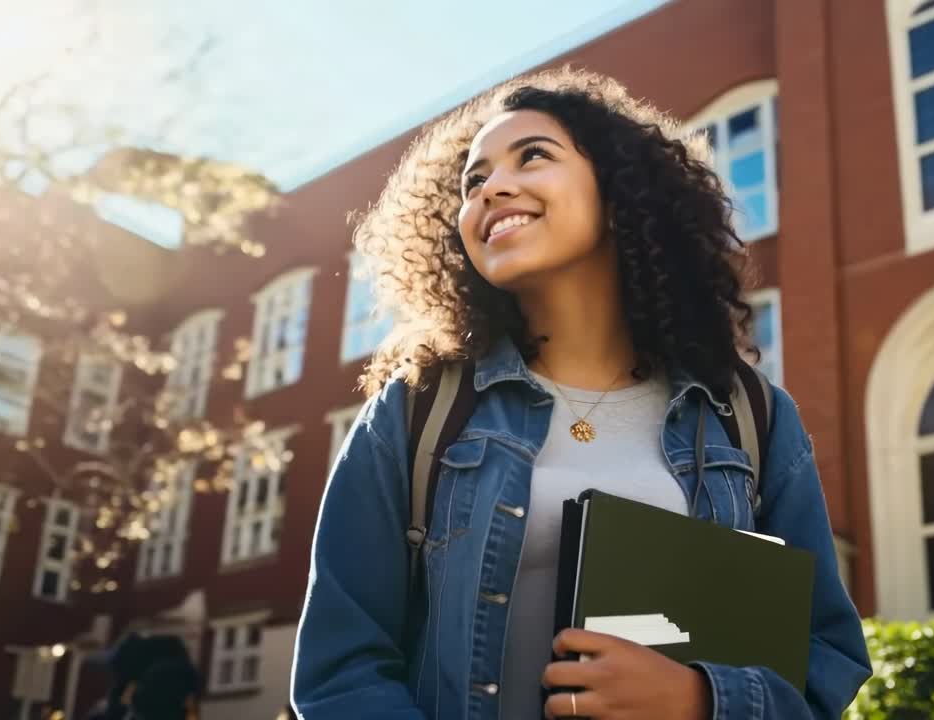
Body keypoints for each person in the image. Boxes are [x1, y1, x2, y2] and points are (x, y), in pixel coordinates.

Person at [290, 68, 871, 719]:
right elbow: (341, 671)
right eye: (472, 182)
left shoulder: (749, 416)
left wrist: (701, 700)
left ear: (619, 192)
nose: (492, 189)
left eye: (532, 156)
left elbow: (829, 653)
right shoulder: (417, 412)